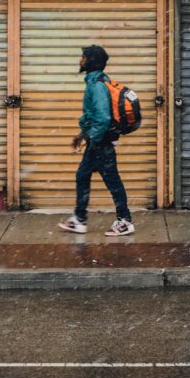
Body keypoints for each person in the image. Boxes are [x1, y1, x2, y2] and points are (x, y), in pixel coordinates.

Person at [58, 45, 135, 236]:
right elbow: (94, 117)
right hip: (98, 141)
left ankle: (124, 221)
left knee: (111, 180)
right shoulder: (98, 81)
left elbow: (102, 118)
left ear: (90, 61)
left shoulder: (97, 85)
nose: (80, 60)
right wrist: (83, 135)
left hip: (101, 143)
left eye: (83, 57)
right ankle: (80, 219)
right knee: (84, 176)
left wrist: (92, 139)